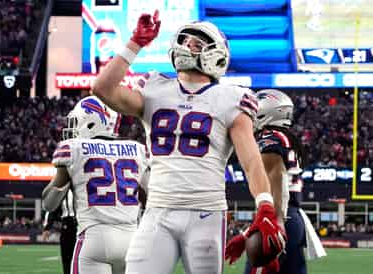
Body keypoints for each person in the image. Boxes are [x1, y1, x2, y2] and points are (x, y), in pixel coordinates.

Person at [92, 10, 286, 274]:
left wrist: (265, 205)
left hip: (205, 213)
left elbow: (251, 161)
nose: (188, 46)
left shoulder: (231, 97)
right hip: (158, 210)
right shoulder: (154, 87)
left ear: (217, 54)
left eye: (198, 42)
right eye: (185, 41)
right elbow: (102, 89)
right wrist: (135, 43)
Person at [42, 96, 149, 274]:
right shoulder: (138, 149)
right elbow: (150, 199)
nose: (73, 128)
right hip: (131, 239)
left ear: (91, 122)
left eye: (76, 122)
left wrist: (64, 174)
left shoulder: (73, 149)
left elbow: (49, 203)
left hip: (94, 239)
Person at [226, 89, 326, 274]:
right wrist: (247, 233)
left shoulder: (269, 137)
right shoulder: (287, 138)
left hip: (281, 217)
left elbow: (276, 177)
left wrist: (276, 221)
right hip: (291, 216)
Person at [42, 190, 77, 274]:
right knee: (66, 257)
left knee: (82, 256)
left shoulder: (81, 188)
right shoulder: (62, 191)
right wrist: (47, 228)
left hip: (81, 224)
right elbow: (53, 209)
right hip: (66, 225)